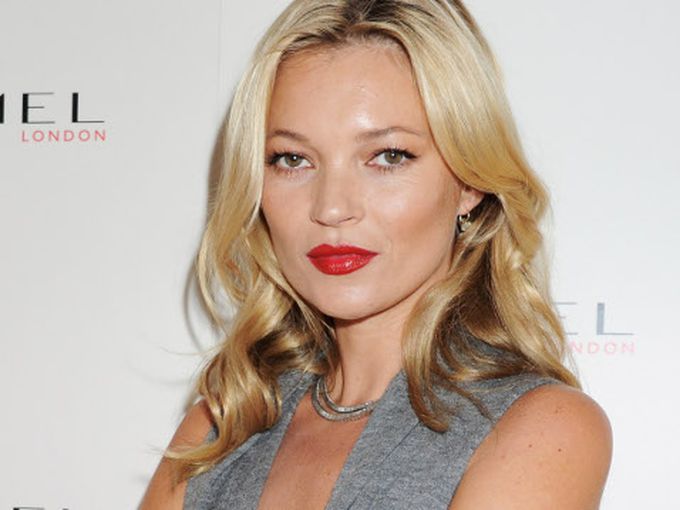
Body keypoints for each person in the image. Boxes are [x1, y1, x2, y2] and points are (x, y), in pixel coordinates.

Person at [141, 0, 612, 508]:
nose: (332, 208)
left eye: (388, 156)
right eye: (292, 159)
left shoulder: (540, 427)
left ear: (469, 182)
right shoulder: (222, 425)